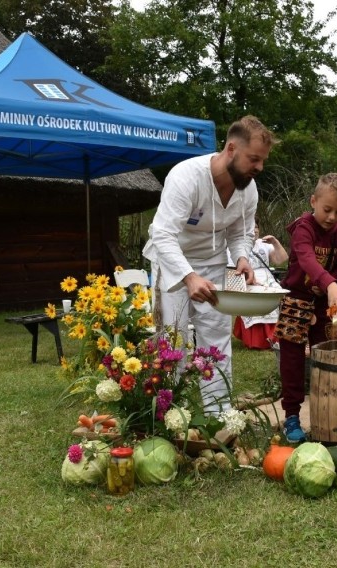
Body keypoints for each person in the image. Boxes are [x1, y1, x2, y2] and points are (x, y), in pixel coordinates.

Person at [142, 116, 276, 414]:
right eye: (254, 159)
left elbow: (239, 233)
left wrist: (242, 257)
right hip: (174, 263)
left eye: (262, 160)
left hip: (214, 264)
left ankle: (219, 414)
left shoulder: (248, 189)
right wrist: (189, 278)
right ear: (231, 149)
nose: (259, 168)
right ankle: (169, 413)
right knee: (172, 340)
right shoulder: (186, 177)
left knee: (216, 341)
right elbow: (163, 234)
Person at [274, 173, 337, 443]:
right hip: (295, 299)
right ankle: (292, 415)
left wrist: (332, 282)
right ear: (313, 201)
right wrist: (328, 282)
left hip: (323, 306)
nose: (332, 217)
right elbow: (306, 258)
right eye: (327, 209)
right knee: (292, 361)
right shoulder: (303, 228)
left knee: (325, 357)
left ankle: (325, 412)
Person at [229, 218, 289, 349]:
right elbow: (231, 270)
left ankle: (277, 337)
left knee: (278, 293)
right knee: (255, 295)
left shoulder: (263, 244)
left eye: (256, 227)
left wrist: (275, 242)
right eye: (251, 227)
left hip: (267, 278)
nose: (254, 230)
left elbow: (282, 260)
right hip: (246, 279)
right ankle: (256, 341)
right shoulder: (234, 247)